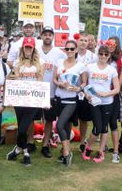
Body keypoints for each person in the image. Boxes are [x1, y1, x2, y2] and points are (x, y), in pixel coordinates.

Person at [6, 37, 44, 166]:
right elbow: (15, 81)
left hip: (32, 101)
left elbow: (40, 82)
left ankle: (23, 152)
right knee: (21, 126)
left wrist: (37, 97)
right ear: (22, 48)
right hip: (20, 100)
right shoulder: (17, 63)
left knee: (23, 129)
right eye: (26, 47)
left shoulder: (40, 63)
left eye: (30, 47)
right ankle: (20, 150)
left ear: (33, 49)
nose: (28, 49)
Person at [82, 45, 119, 163]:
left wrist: (106, 94)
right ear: (98, 54)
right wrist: (86, 94)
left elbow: (117, 89)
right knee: (97, 127)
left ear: (109, 56)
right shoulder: (89, 67)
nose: (103, 56)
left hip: (107, 102)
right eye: (101, 53)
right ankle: (88, 147)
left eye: (106, 54)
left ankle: (101, 152)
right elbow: (84, 84)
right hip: (94, 102)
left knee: (104, 128)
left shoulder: (112, 70)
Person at [54, 40, 86, 166]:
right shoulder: (60, 62)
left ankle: (67, 152)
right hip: (59, 98)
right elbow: (54, 79)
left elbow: (83, 82)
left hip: (71, 100)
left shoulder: (80, 65)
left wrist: (78, 88)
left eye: (72, 49)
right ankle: (63, 153)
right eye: (67, 49)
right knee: (66, 127)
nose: (69, 51)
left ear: (76, 50)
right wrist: (60, 84)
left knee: (59, 125)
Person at [38, 26, 66, 158]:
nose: (47, 36)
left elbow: (65, 69)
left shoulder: (59, 53)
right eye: (45, 34)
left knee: (49, 120)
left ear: (53, 36)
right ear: (41, 36)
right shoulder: (36, 50)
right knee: (33, 119)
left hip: (51, 92)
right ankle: (30, 142)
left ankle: (45, 144)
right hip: (36, 92)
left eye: (50, 34)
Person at [76, 33, 97, 153]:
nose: (83, 42)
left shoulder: (93, 56)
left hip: (87, 91)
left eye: (85, 40)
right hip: (73, 90)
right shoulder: (72, 53)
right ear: (77, 42)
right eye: (81, 40)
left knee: (84, 119)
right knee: (72, 118)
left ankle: (83, 141)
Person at [106, 36, 122, 163]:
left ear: (117, 45)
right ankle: (103, 148)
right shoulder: (103, 57)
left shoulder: (121, 60)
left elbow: (120, 80)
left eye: (113, 44)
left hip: (114, 95)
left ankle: (116, 151)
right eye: (109, 44)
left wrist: (113, 92)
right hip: (102, 95)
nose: (111, 46)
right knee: (102, 124)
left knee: (113, 123)